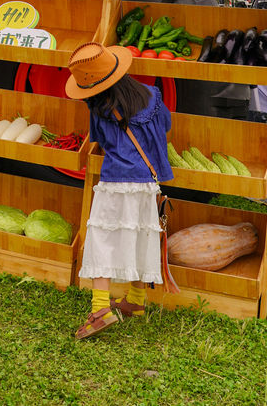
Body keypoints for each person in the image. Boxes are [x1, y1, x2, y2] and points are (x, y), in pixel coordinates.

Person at [65, 42, 173, 340]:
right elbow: (166, 124)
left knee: (103, 238)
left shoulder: (99, 106)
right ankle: (136, 301)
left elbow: (99, 138)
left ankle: (100, 308)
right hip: (148, 181)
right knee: (140, 234)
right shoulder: (152, 96)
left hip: (116, 181)